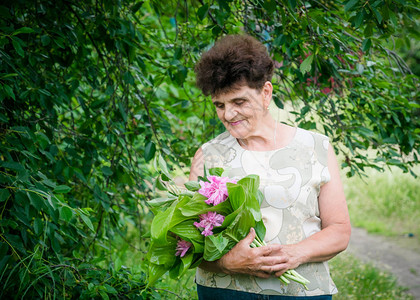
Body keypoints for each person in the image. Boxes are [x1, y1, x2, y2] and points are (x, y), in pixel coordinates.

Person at [189, 34, 351, 299]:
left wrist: (294, 254)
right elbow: (186, 241)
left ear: (266, 93)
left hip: (301, 292)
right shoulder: (209, 155)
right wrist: (227, 262)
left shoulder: (315, 147)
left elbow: (340, 231)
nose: (228, 115)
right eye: (220, 105)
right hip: (225, 291)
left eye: (239, 102)